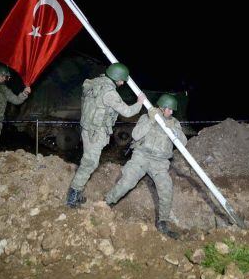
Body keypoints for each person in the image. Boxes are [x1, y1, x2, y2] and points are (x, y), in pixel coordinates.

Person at [104, 94, 186, 239]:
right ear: (161, 107)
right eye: (169, 109)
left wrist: (173, 129)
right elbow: (135, 135)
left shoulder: (174, 122)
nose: (171, 112)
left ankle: (163, 223)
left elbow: (183, 143)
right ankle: (106, 204)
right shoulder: (147, 117)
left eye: (173, 110)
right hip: (141, 157)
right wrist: (151, 120)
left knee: (166, 187)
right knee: (127, 181)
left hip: (160, 163)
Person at [66, 62, 146, 208]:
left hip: (86, 128)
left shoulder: (95, 83)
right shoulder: (109, 93)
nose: (122, 83)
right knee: (89, 163)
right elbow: (128, 112)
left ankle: (76, 191)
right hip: (95, 132)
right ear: (116, 78)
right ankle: (73, 196)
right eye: (122, 80)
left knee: (88, 162)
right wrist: (139, 102)